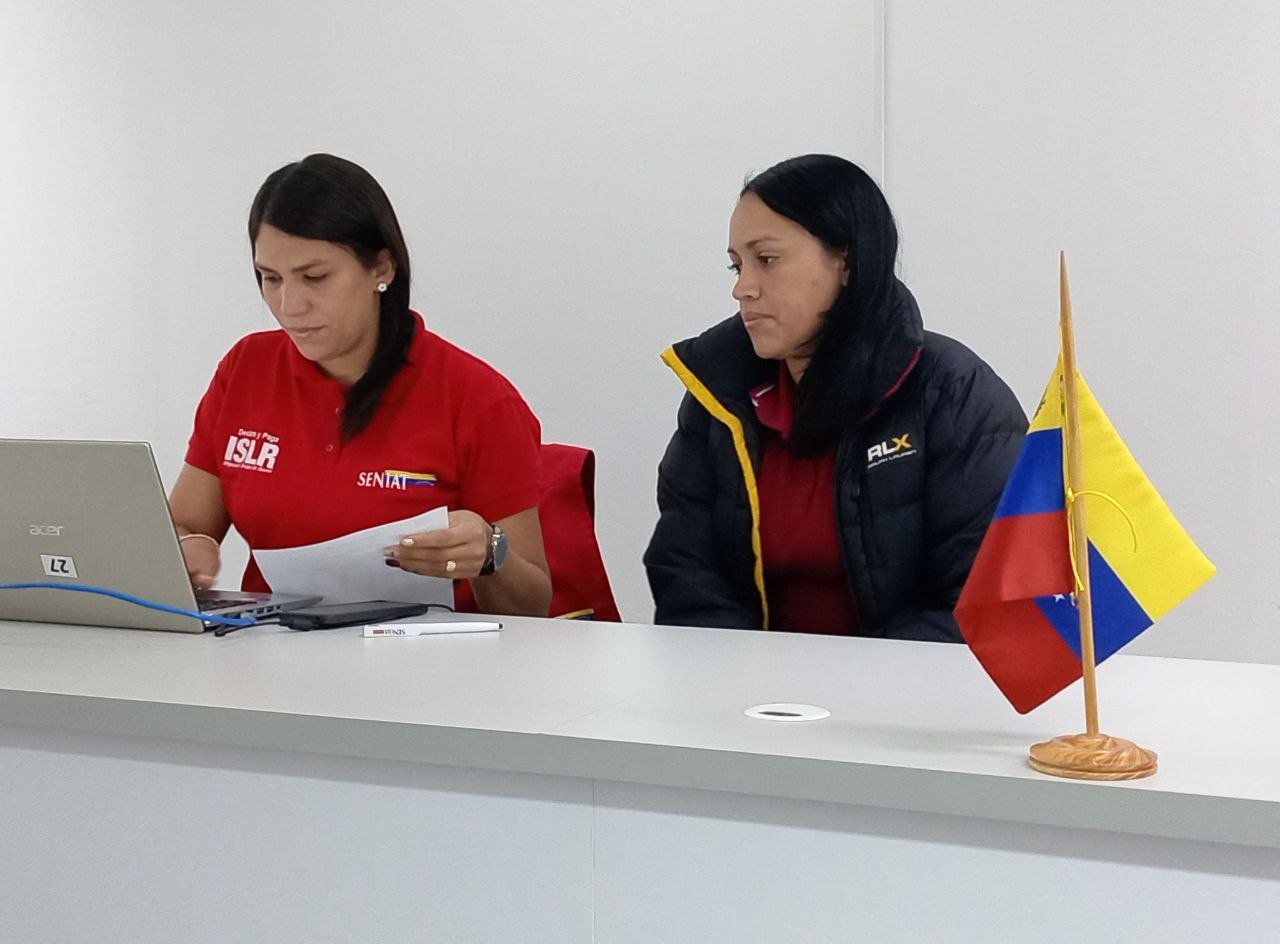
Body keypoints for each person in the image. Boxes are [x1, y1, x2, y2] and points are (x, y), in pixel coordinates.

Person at [644, 154, 1027, 640]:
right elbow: (686, 577)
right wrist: (742, 675)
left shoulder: (953, 392)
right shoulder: (718, 397)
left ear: (846, 261)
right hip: (747, 683)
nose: (742, 289)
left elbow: (982, 597)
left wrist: (855, 680)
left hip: (909, 683)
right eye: (736, 266)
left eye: (767, 260)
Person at [169, 154, 552, 617]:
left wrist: (490, 554)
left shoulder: (478, 399)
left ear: (382, 269)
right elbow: (185, 524)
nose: (289, 305)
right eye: (270, 278)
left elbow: (534, 607)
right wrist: (185, 548)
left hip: (431, 655)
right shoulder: (245, 369)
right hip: (269, 647)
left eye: (315, 277)